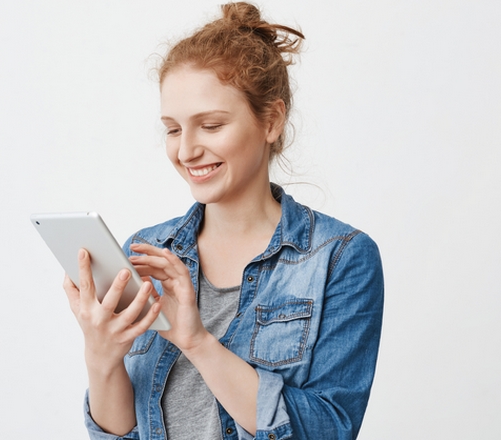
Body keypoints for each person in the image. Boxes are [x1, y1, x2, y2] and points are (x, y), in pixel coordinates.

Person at [61, 3, 384, 439]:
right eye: (173, 129)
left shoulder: (340, 258)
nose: (186, 151)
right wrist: (101, 355)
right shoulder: (147, 250)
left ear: (271, 121)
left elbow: (329, 429)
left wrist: (196, 341)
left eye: (210, 125)